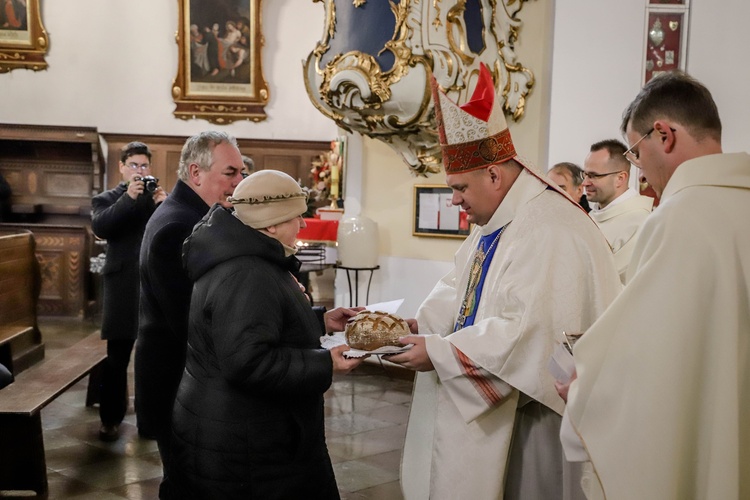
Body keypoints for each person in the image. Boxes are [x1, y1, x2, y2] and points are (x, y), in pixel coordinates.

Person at [387, 64, 621, 500]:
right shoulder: (501, 217)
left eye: (459, 188)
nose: (454, 200)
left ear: (494, 175)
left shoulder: (547, 228)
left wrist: (440, 353)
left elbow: (527, 333)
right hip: (506, 400)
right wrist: (422, 326)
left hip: (537, 416)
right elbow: (461, 285)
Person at [562, 71, 750, 499]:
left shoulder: (678, 219)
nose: (639, 168)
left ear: (663, 134)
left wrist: (584, 387)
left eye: (634, 151)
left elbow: (648, 364)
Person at [170, 170, 365, 499]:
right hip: (246, 444)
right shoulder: (247, 271)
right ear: (272, 223)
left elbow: (257, 324)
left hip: (242, 427)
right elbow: (248, 361)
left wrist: (319, 320)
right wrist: (325, 362)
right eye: (297, 216)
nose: (303, 225)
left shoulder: (245, 256)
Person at [136, 130, 244, 498]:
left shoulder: (192, 216)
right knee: (187, 485)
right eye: (230, 173)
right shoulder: (178, 226)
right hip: (177, 382)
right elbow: (192, 319)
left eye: (241, 173)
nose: (239, 183)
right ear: (196, 173)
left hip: (186, 380)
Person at [91, 141, 167, 442]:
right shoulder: (106, 198)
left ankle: (153, 417)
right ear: (122, 167)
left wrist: (164, 204)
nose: (140, 171)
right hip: (122, 285)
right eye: (134, 165)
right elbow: (102, 227)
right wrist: (127, 198)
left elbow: (169, 232)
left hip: (152, 285)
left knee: (155, 357)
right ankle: (110, 419)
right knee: (117, 358)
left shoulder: (155, 197)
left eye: (144, 165)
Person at [582, 139, 654, 282]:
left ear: (620, 178)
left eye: (594, 176)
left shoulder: (639, 222)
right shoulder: (589, 218)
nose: (585, 183)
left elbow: (623, 286)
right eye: (584, 174)